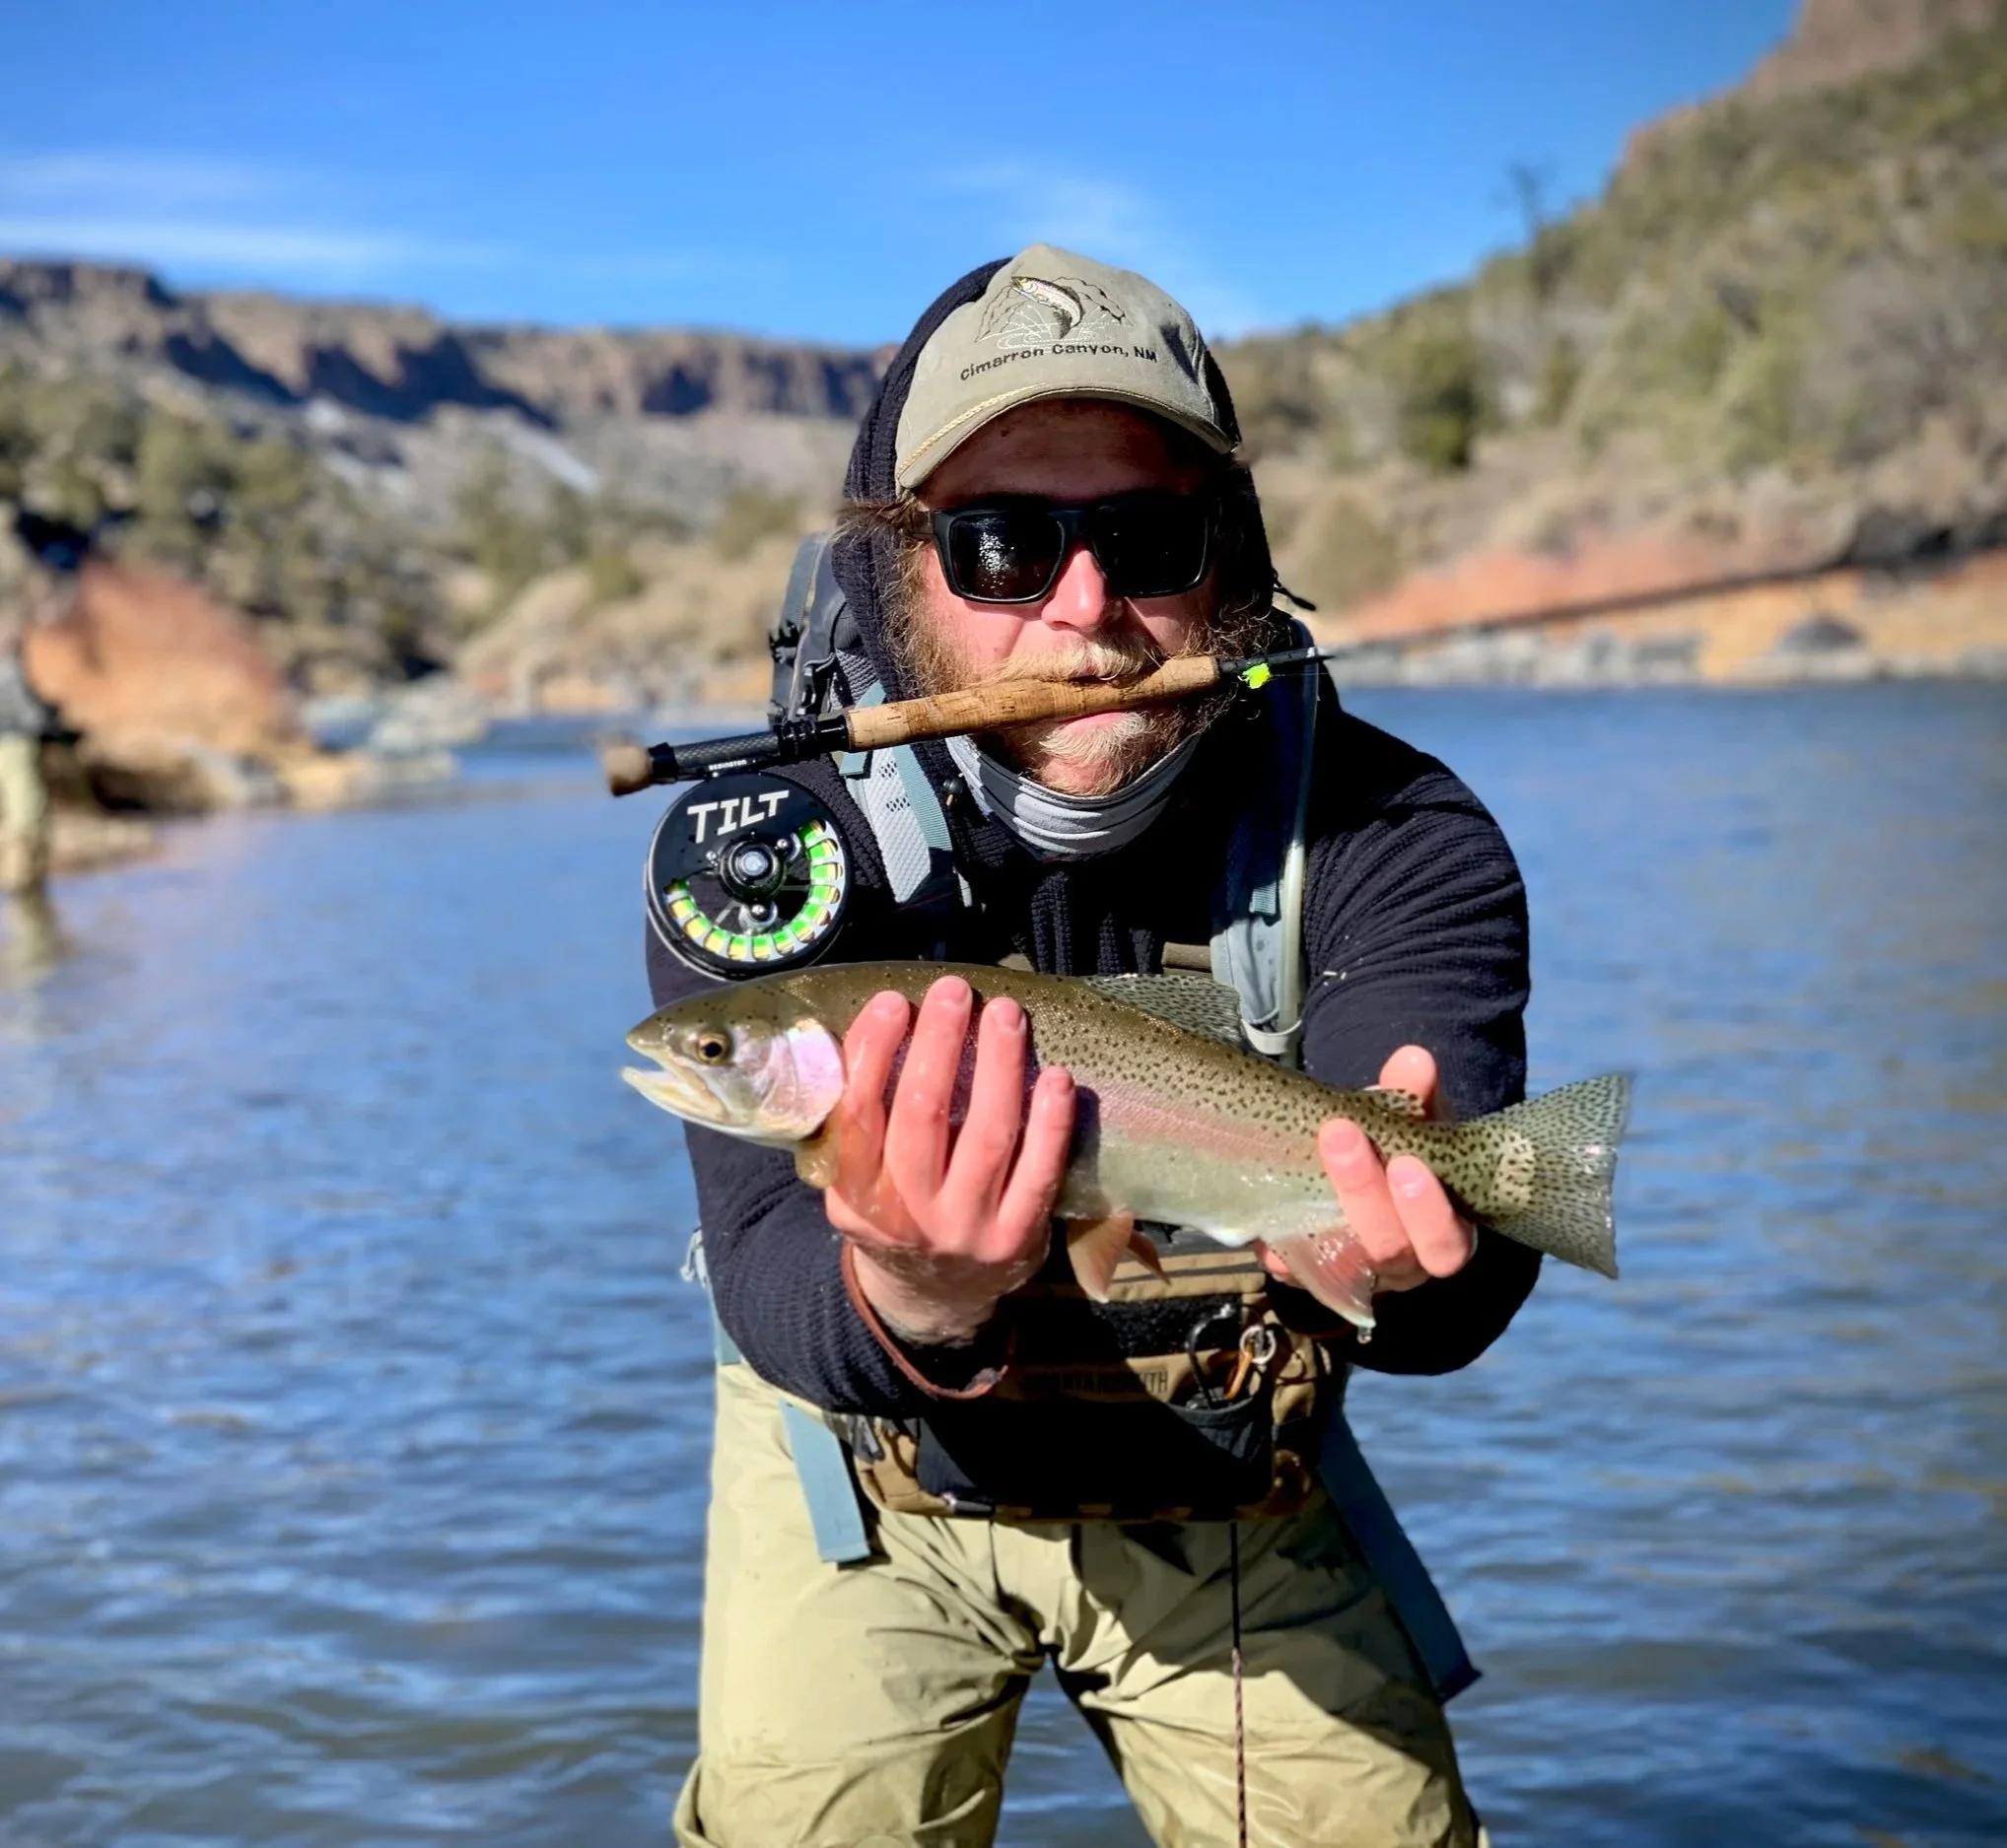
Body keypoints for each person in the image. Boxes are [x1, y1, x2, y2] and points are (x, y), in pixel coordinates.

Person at [647, 247, 1535, 1848]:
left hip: (1231, 1447)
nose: (1082, 606)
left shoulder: (1394, 831)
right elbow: (771, 1263)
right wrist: (905, 1287)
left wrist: (1436, 1254)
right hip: (855, 1466)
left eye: (1146, 538)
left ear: (1232, 562)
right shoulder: (769, 858)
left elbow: (1456, 1296)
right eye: (1001, 543)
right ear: (893, 569)